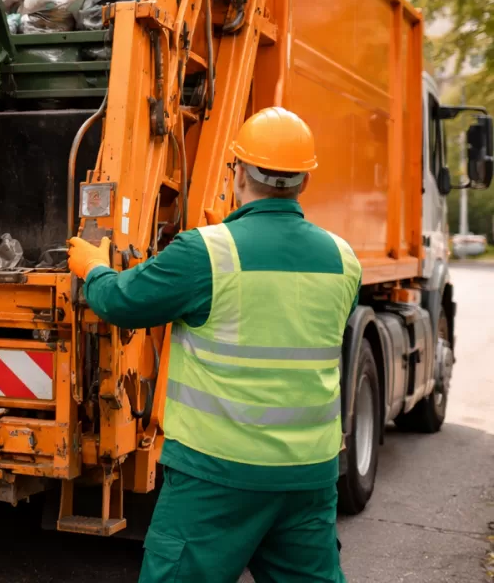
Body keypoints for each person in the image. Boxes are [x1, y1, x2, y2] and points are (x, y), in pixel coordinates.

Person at [67, 107, 360, 583]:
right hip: (308, 476)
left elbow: (122, 302)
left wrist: (94, 267)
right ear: (304, 182)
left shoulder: (205, 252)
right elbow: (289, 317)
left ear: (239, 172)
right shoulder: (343, 258)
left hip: (216, 477)